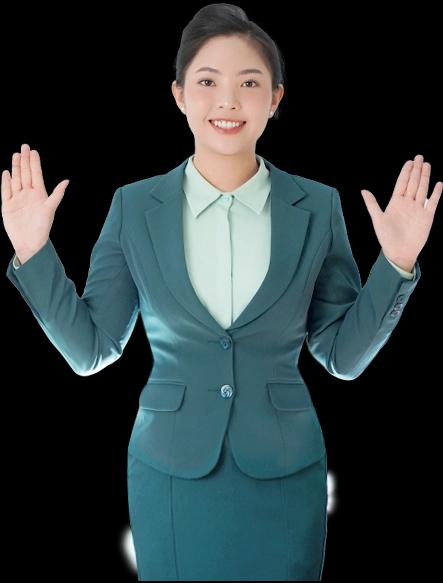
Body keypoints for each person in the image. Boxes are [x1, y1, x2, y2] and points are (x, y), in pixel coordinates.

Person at [2, 3, 441, 581]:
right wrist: (35, 253)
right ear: (180, 95)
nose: (228, 101)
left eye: (249, 83)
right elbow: (92, 349)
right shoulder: (134, 207)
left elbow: (342, 355)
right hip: (170, 471)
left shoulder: (317, 206)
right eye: (208, 82)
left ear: (276, 98)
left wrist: (397, 261)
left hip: (286, 471)